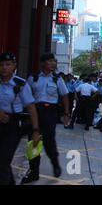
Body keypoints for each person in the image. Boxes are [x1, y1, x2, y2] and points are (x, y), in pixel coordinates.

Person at [21, 53, 70, 184]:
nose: (53, 63)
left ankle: (55, 164)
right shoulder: (33, 78)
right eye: (50, 61)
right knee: (33, 142)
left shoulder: (57, 79)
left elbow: (65, 96)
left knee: (49, 141)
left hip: (50, 112)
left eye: (54, 61)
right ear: (42, 63)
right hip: (35, 111)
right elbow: (25, 95)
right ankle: (34, 172)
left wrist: (66, 114)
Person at [0, 53, 40, 185]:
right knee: (3, 163)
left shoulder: (20, 84)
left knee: (3, 161)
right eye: (1, 65)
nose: (4, 68)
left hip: (12, 126)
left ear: (14, 66)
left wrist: (35, 130)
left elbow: (31, 107)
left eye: (8, 64)